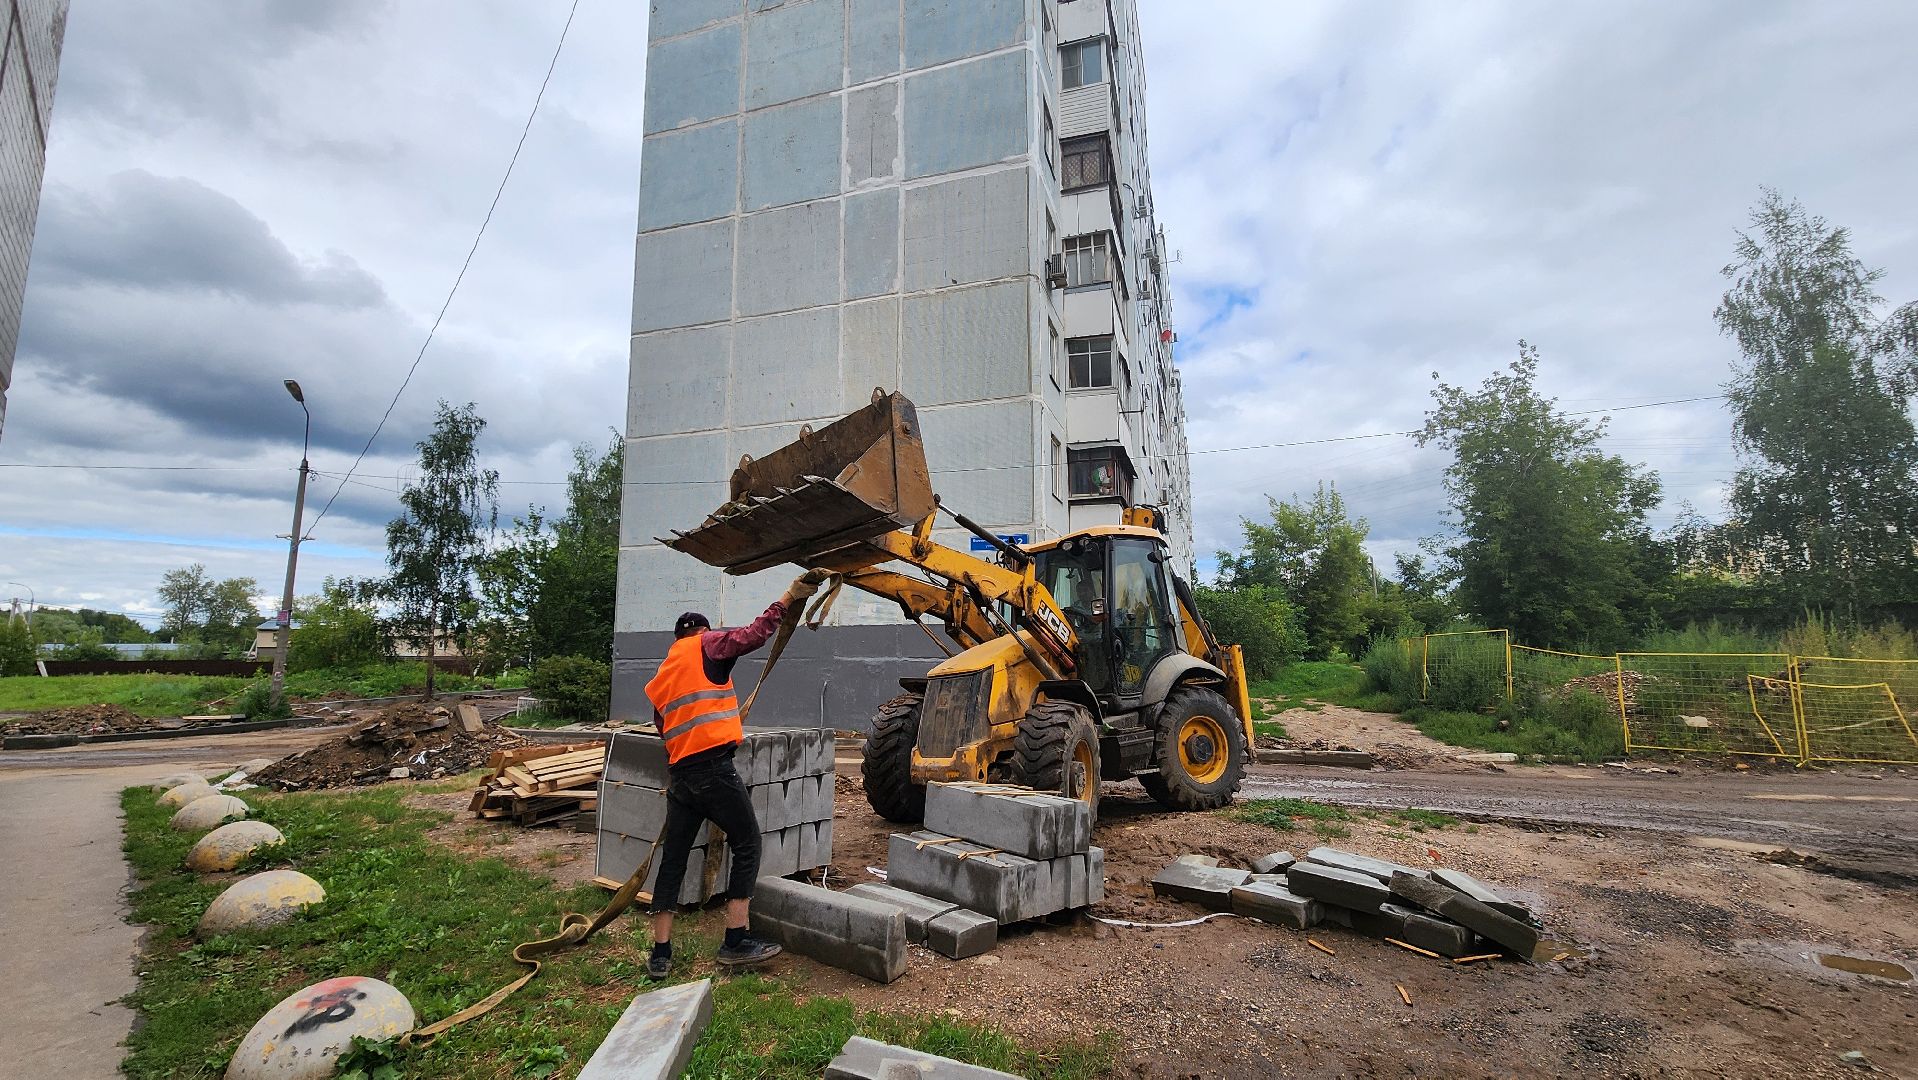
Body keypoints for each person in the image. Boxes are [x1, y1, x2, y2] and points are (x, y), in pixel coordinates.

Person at [643, 572, 821, 980]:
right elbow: (754, 635)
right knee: (747, 840)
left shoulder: (662, 676)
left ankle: (661, 952)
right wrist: (788, 598)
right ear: (702, 632)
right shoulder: (708, 643)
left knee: (673, 858)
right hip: (712, 770)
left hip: (681, 776)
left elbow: (671, 726)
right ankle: (735, 940)